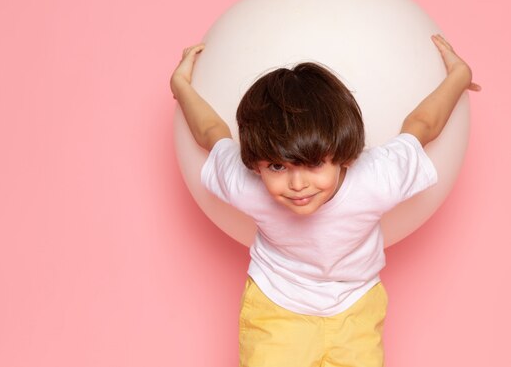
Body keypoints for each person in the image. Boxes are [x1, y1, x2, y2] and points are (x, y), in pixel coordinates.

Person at [170, 35, 480, 367]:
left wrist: (458, 76)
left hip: (356, 309)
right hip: (276, 309)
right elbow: (211, 133)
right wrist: (181, 85)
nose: (297, 185)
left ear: (344, 155)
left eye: (315, 164)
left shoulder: (376, 180)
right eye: (277, 166)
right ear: (256, 164)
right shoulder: (247, 185)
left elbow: (422, 125)